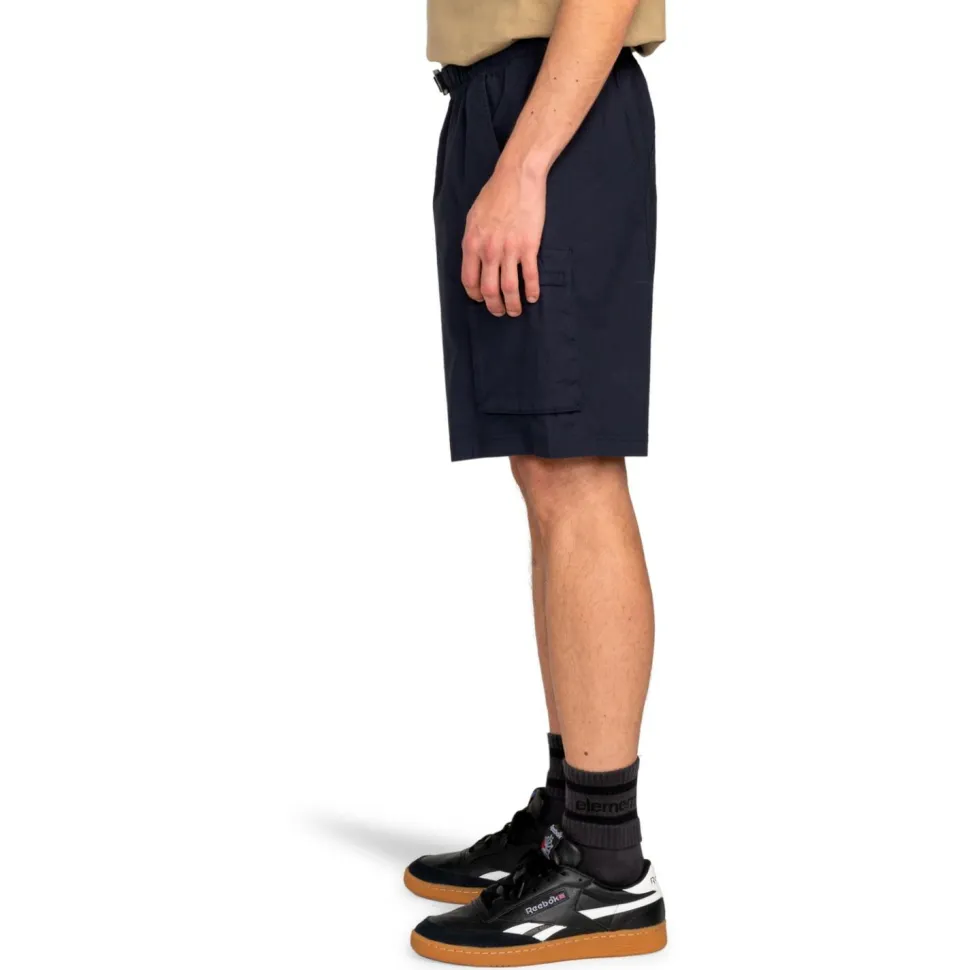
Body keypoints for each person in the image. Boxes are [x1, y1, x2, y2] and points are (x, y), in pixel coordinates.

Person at [406, 0, 666, 964]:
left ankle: (604, 862)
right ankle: (570, 817)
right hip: (508, 103)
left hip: (553, 111)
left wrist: (522, 165)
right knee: (546, 474)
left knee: (576, 470)